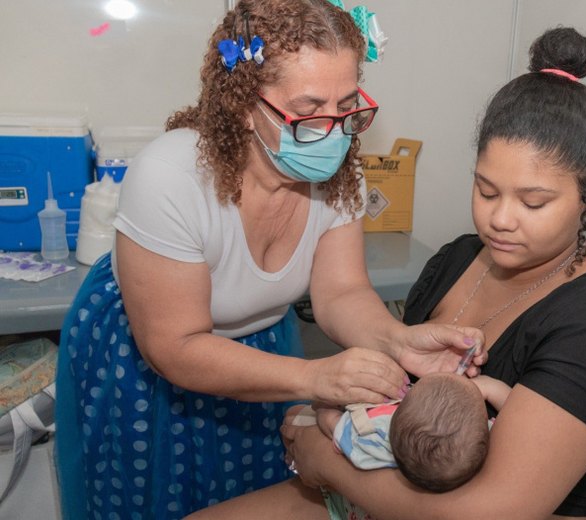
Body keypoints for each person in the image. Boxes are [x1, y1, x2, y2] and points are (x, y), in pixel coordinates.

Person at [187, 25, 586, 520]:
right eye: (487, 191)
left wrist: (326, 462)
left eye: (533, 201)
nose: (500, 219)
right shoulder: (458, 259)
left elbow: (493, 511)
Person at [53, 1, 483, 519]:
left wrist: (399, 342)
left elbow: (341, 293)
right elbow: (177, 346)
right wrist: (314, 377)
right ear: (242, 105)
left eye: (348, 106)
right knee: (151, 497)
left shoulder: (341, 177)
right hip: (148, 367)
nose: (333, 131)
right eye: (308, 112)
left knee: (251, 491)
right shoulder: (172, 179)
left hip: (264, 351)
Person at [288, 372, 510, 502]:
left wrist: (323, 407)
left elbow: (330, 423)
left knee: (293, 414)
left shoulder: (375, 433)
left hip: (354, 505)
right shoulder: (478, 443)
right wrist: (489, 388)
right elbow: (513, 409)